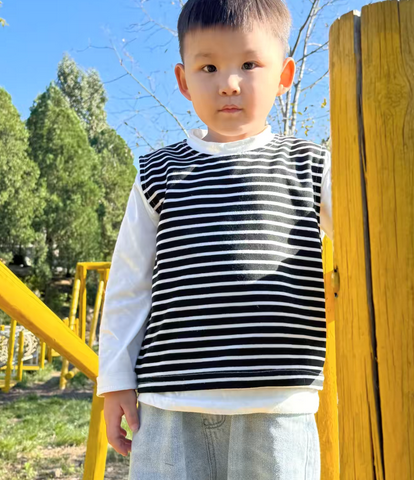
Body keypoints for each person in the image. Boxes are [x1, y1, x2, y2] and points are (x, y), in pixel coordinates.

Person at [97, 0, 334, 478]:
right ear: (184, 80)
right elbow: (129, 282)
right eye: (209, 66)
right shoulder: (160, 173)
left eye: (249, 64)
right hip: (170, 399)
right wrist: (116, 381)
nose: (229, 82)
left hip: (276, 400)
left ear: (284, 74)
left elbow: (371, 241)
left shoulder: (312, 165)